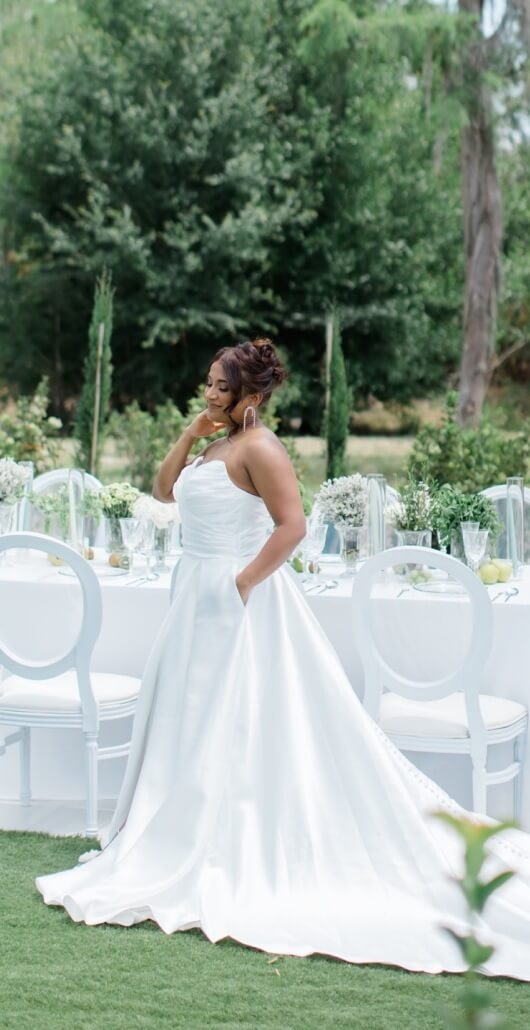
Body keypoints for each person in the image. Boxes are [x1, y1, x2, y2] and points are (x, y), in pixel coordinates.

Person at [37, 339, 530, 979]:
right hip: (195, 599)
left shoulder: (262, 449)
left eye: (221, 386)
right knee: (188, 716)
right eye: (209, 383)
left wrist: (242, 584)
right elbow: (163, 492)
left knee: (242, 717)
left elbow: (291, 526)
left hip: (237, 602)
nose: (210, 393)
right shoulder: (216, 444)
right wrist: (191, 432)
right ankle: (176, 828)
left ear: (255, 394)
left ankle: (233, 838)